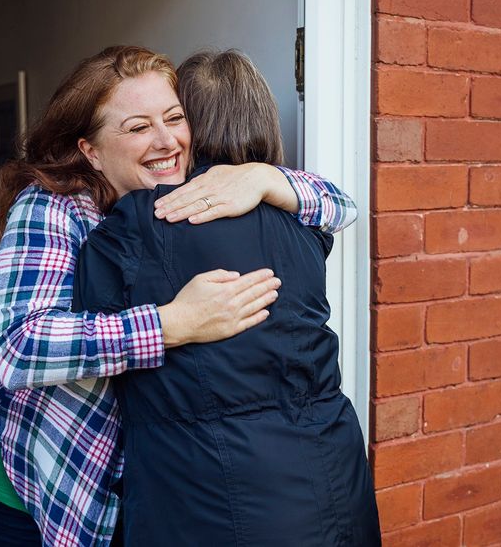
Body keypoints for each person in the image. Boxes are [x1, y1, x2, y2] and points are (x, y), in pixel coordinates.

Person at [0, 45, 358, 546]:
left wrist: (264, 177)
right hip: (37, 470)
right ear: (90, 150)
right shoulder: (52, 208)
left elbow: (340, 207)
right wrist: (174, 322)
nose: (166, 140)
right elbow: (21, 345)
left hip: (124, 475)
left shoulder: (183, 198)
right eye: (136, 127)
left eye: (175, 118)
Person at [74, 49, 380, 546]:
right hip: (334, 481)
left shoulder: (137, 226)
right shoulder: (305, 221)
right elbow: (339, 206)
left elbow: (89, 344)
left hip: (210, 497)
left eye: (174, 116)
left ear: (189, 122)